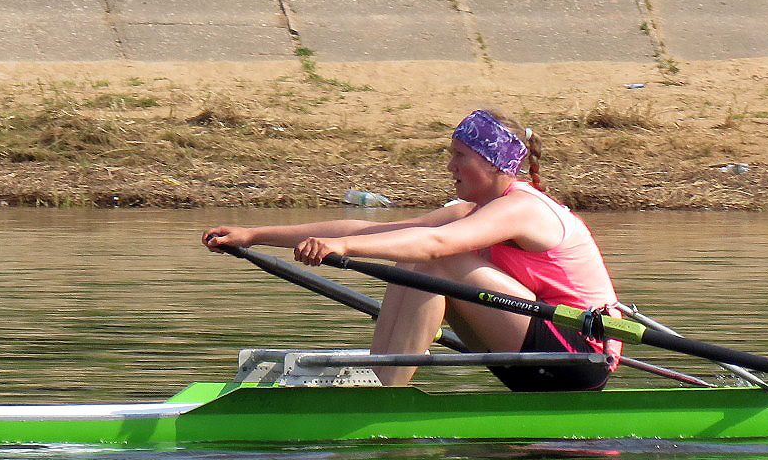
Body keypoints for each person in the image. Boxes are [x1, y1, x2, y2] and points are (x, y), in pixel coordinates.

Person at [202, 108, 622, 391]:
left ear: (493, 163)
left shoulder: (523, 208)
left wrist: (344, 248)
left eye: (460, 155)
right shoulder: (474, 210)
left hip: (579, 355)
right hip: (540, 353)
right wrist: (253, 235)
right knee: (412, 254)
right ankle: (381, 379)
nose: (450, 166)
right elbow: (373, 229)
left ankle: (386, 394)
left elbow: (436, 245)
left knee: (433, 260)